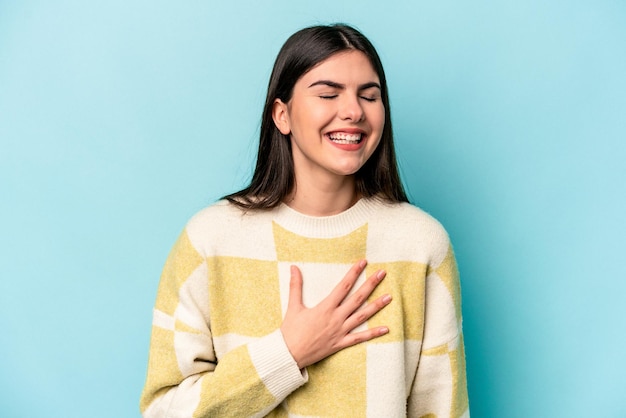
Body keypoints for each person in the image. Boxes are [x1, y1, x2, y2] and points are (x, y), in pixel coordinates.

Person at [140, 24, 469, 417]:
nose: (353, 111)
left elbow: (441, 410)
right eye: (329, 93)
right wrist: (287, 353)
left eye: (370, 95)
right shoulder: (210, 240)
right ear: (283, 115)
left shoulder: (420, 244)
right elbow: (163, 411)